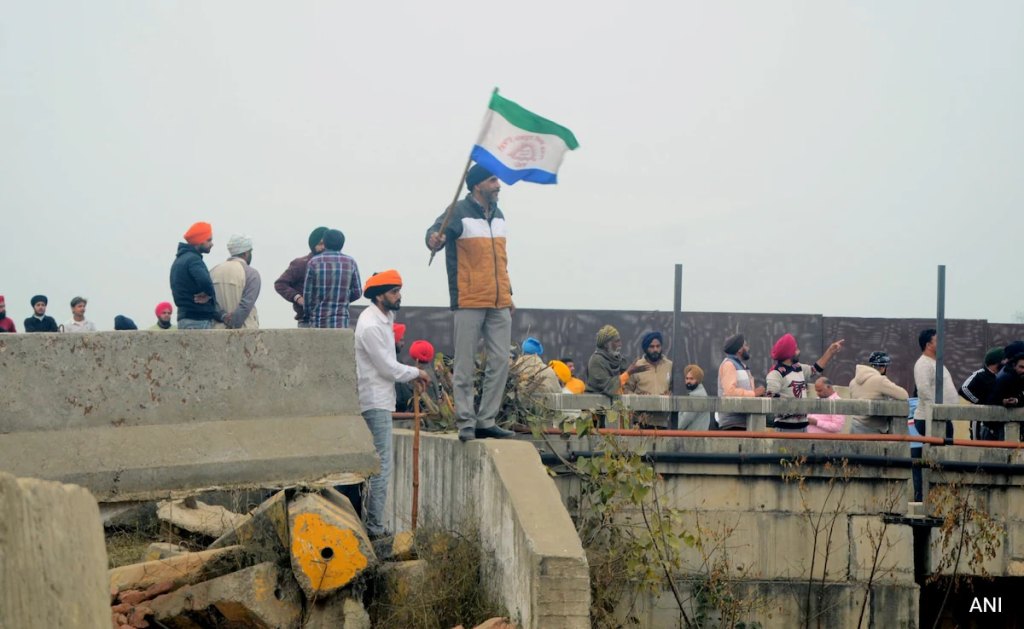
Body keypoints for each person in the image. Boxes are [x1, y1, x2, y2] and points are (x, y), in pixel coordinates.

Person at [425, 164, 515, 442]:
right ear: (478, 185)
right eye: (492, 180)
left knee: (501, 361)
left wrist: (509, 292)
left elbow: (500, 260)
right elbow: (435, 234)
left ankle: (486, 420)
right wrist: (433, 240)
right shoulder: (459, 213)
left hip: (500, 301)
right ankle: (466, 421)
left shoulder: (498, 216)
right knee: (464, 364)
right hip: (469, 299)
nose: (498, 185)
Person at [354, 269, 428, 539]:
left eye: (399, 290)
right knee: (381, 467)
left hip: (381, 398)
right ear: (379, 295)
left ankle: (371, 524)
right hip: (374, 400)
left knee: (378, 466)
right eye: (394, 291)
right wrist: (416, 373)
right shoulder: (371, 325)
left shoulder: (385, 317)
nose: (399, 296)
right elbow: (386, 368)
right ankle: (374, 528)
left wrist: (410, 376)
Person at [765, 333, 844, 431]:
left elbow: (816, 369)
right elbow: (771, 396)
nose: (799, 351)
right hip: (785, 427)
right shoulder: (776, 373)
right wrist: (793, 407)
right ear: (789, 353)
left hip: (803, 426)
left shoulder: (798, 368)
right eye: (796, 349)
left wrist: (830, 352)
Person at [303, 229, 361, 329]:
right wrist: (343, 299)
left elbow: (308, 295)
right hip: (341, 322)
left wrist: (308, 314)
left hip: (318, 321)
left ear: (325, 243)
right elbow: (358, 292)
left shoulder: (313, 262)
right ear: (342, 243)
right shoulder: (351, 262)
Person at [170, 222, 223, 330]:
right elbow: (205, 281)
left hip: (184, 317)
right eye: (209, 240)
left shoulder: (179, 260)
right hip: (198, 319)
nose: (212, 244)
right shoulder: (194, 260)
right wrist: (208, 294)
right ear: (199, 241)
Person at [274, 227, 328, 328]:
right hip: (307, 320)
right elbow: (280, 284)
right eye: (320, 244)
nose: (324, 247)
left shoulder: (334, 266)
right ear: (313, 245)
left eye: (326, 244)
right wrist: (298, 298)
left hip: (329, 320)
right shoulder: (301, 264)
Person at [849, 351, 909, 434]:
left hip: (854, 426)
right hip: (872, 429)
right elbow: (904, 395)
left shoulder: (853, 382)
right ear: (882, 367)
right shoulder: (880, 380)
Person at [913, 329, 958, 439]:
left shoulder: (936, 363)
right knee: (935, 453)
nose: (942, 344)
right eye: (938, 340)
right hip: (930, 419)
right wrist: (935, 411)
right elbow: (923, 390)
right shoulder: (923, 364)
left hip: (942, 417)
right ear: (928, 345)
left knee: (945, 453)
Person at [716, 334, 766, 431]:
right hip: (732, 423)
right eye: (745, 345)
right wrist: (754, 393)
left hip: (742, 421)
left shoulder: (741, 366)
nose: (748, 348)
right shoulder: (729, 365)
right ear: (739, 349)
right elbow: (729, 392)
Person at [623, 331, 673, 428]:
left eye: (658, 346)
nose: (655, 349)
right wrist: (638, 397)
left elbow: (675, 388)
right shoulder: (637, 366)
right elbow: (625, 389)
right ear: (646, 348)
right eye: (652, 347)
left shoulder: (669, 365)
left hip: (662, 422)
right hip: (641, 422)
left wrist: (670, 394)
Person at [211, 235, 261, 329]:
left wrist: (223, 316)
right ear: (246, 253)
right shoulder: (251, 273)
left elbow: (210, 303)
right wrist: (233, 323)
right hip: (245, 330)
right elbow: (246, 305)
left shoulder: (213, 271)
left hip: (217, 330)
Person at [587, 325, 647, 396]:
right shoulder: (596, 361)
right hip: (596, 404)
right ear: (606, 344)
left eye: (620, 341)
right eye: (616, 341)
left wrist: (639, 392)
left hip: (617, 405)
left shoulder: (619, 360)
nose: (620, 344)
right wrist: (628, 372)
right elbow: (608, 387)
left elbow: (625, 385)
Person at [960, 347, 1005, 440]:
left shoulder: (1001, 376)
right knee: (978, 444)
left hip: (997, 420)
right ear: (996, 362)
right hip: (979, 418)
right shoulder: (980, 374)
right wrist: (979, 401)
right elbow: (964, 389)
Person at [983, 342, 1024, 440]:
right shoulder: (1006, 377)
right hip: (998, 430)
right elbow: (991, 401)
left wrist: (1017, 401)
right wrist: (1003, 401)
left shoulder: (1010, 375)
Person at [678, 364, 711, 431]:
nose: (688, 381)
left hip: (693, 438)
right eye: (687, 378)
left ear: (698, 380)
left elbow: (682, 422)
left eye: (691, 379)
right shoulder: (701, 393)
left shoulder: (697, 396)